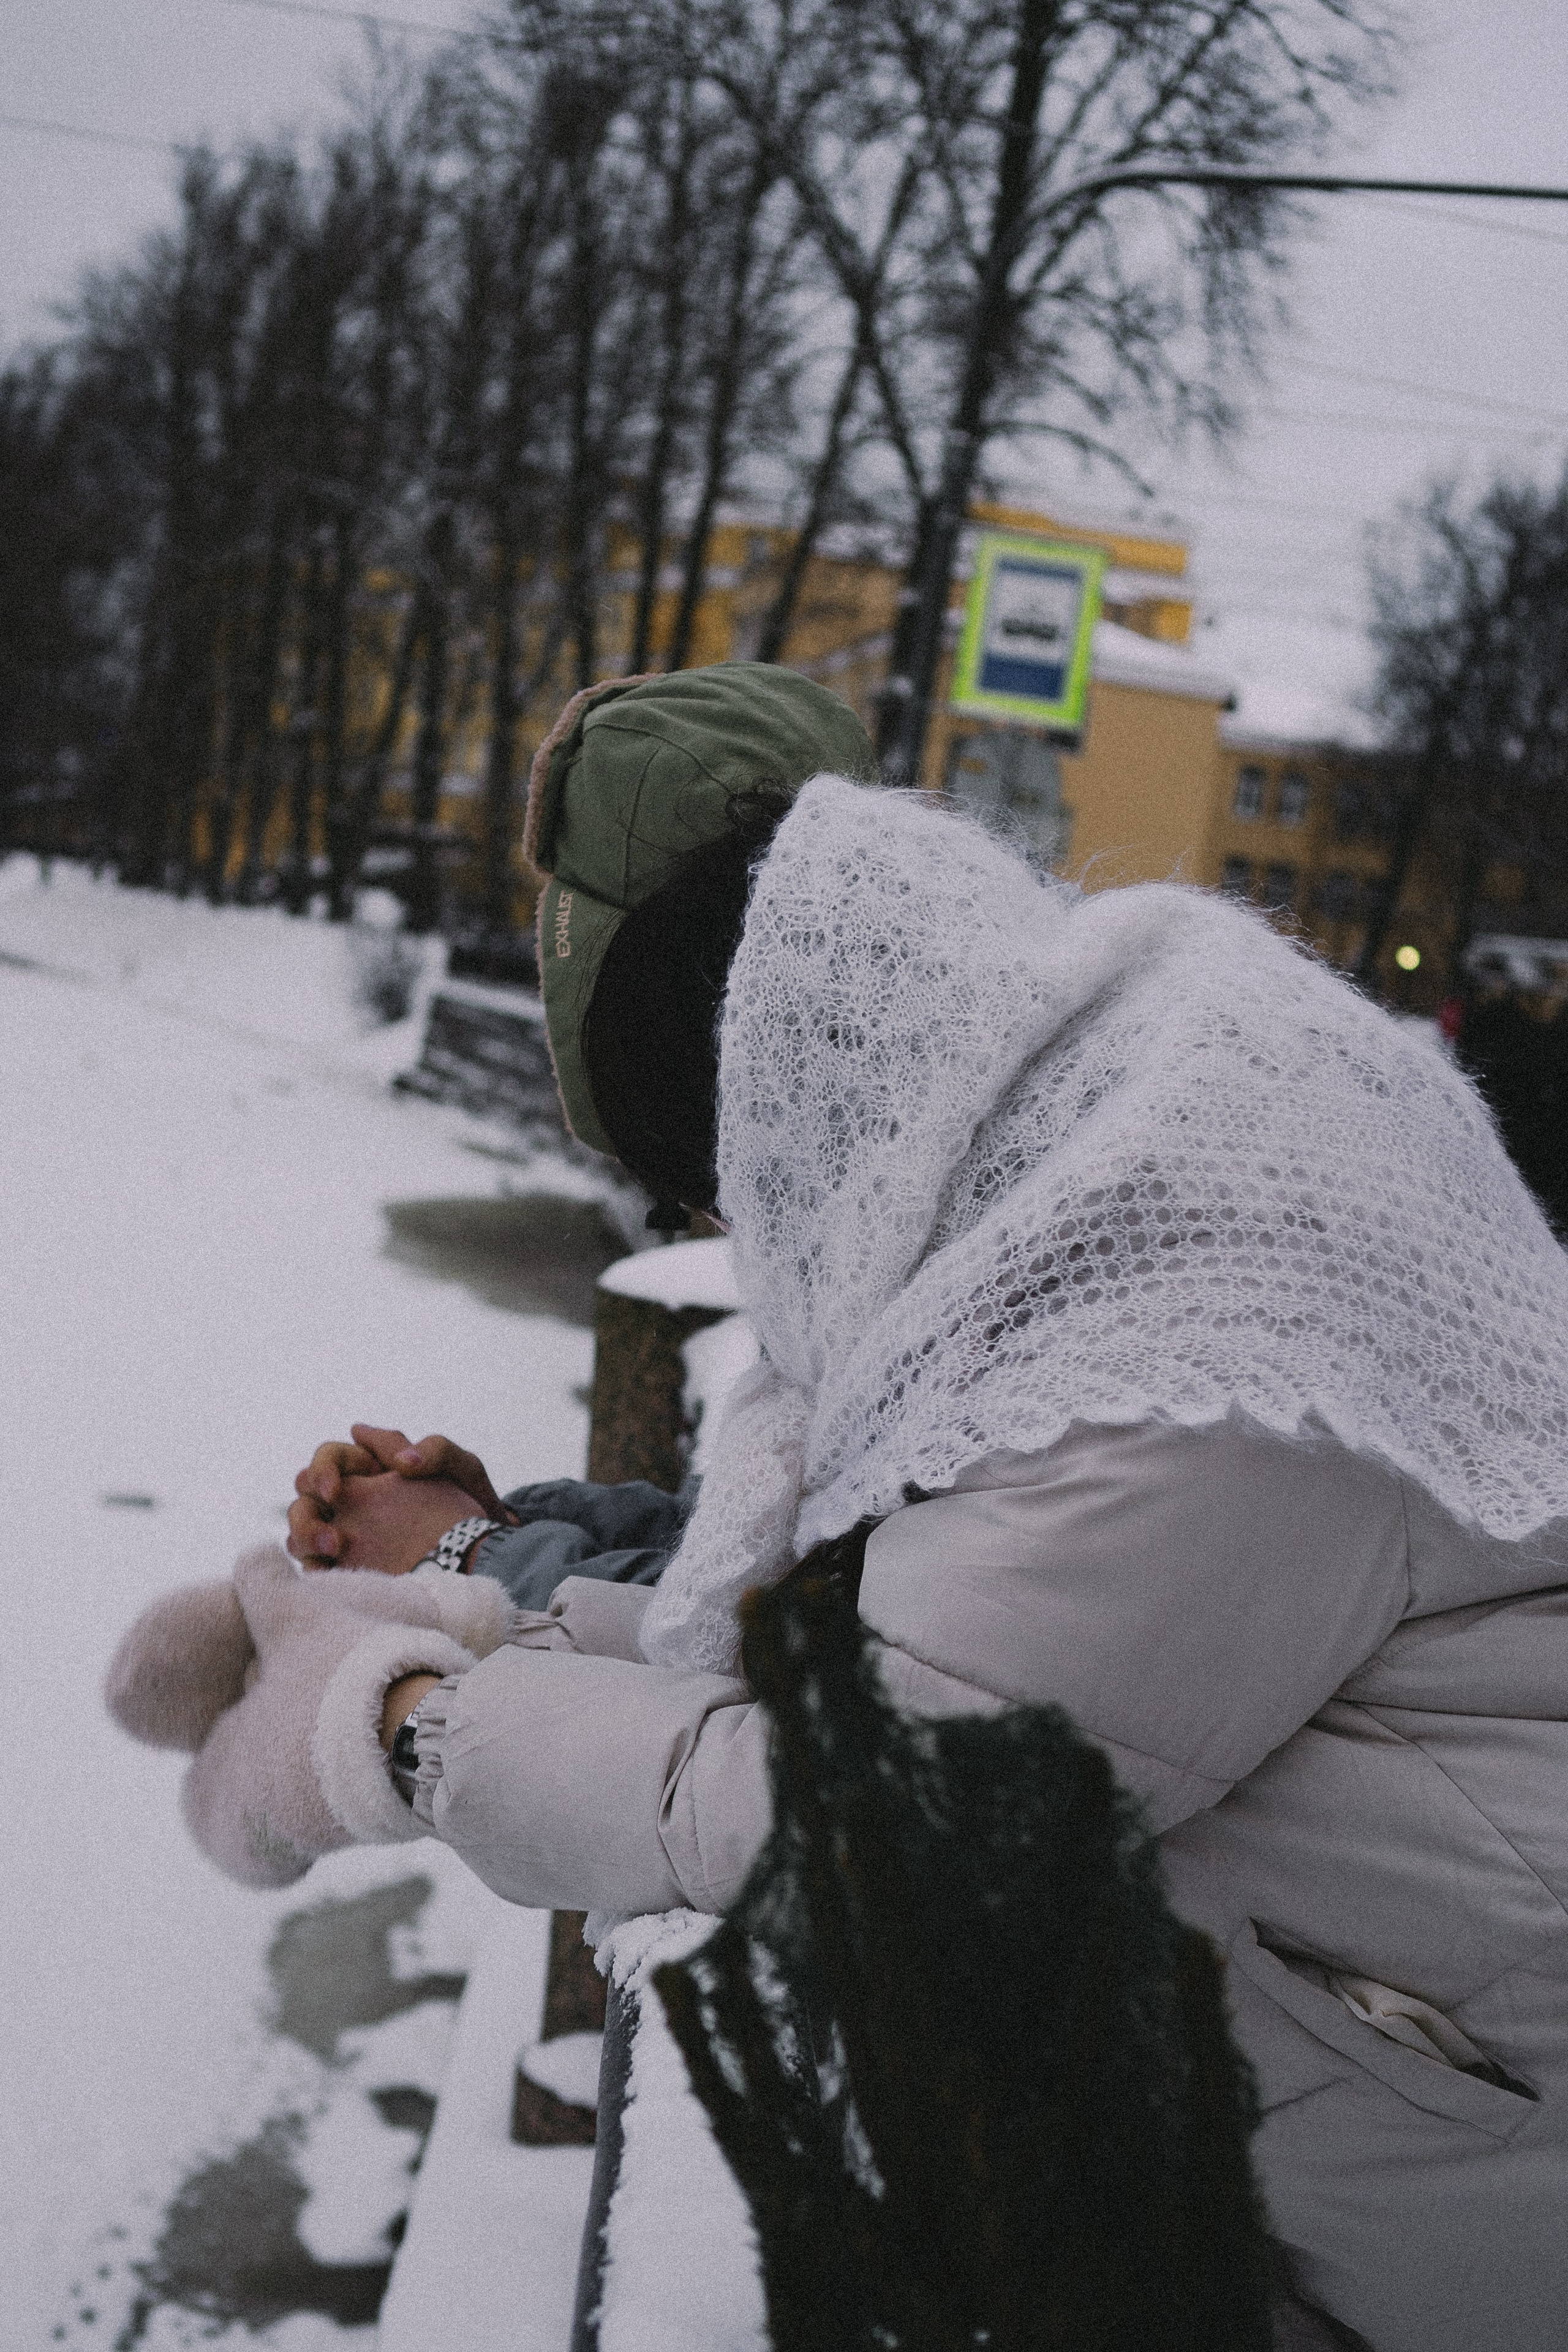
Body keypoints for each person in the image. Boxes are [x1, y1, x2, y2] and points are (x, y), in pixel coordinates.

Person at [149, 663, 1568, 2351]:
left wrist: (398, 1724)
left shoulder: (1198, 1321)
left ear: (759, 1101)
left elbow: (864, 1814)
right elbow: (928, 1606)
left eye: (708, 1183)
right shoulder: (1103, 1121)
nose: (743, 1242)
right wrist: (475, 1555)